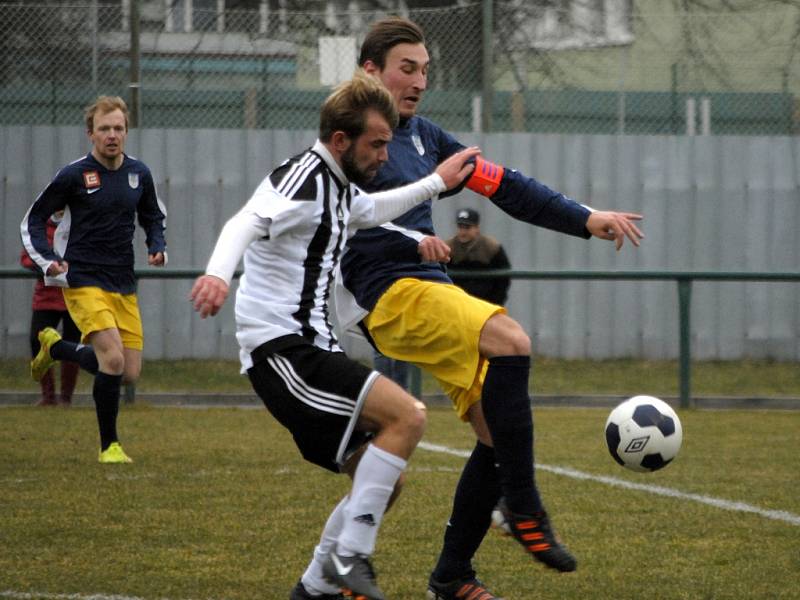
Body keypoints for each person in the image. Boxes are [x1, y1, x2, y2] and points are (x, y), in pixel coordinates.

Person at [335, 17, 644, 600]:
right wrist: (409, 237)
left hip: (431, 285)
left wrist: (585, 217)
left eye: (425, 70)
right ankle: (523, 507)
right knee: (511, 339)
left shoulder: (426, 137)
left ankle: (451, 576)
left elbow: (507, 186)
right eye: (407, 68)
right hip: (388, 293)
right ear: (370, 71)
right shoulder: (349, 138)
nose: (420, 80)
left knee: (495, 431)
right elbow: (350, 209)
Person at [189, 70, 478, 600]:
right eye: (376, 145)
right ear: (341, 140)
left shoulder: (340, 186)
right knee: (407, 416)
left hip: (306, 351)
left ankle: (313, 588)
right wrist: (215, 273)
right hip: (283, 352)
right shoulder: (305, 176)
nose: (384, 157)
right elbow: (244, 223)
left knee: (383, 481)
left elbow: (370, 212)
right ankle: (351, 555)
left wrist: (436, 186)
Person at [20, 95, 167, 464]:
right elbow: (33, 220)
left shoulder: (139, 174)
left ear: (127, 132)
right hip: (82, 280)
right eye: (104, 129)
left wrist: (157, 245)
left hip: (123, 283)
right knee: (113, 360)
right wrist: (49, 261)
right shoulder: (73, 175)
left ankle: (55, 348)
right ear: (91, 134)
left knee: (128, 373)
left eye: (118, 128)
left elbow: (152, 215)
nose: (112, 135)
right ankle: (110, 446)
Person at [20, 211, 81, 407]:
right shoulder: (39, 226)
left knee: (72, 344)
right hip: (46, 296)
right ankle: (48, 395)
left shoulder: (80, 225)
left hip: (75, 296)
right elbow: (27, 257)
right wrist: (47, 266)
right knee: (37, 340)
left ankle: (66, 397)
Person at [445, 208, 511, 306]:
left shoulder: (491, 247)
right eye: (460, 227)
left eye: (467, 227)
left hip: (485, 304)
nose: (462, 232)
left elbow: (503, 279)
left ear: (477, 228)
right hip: (457, 304)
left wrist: (495, 304)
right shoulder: (448, 248)